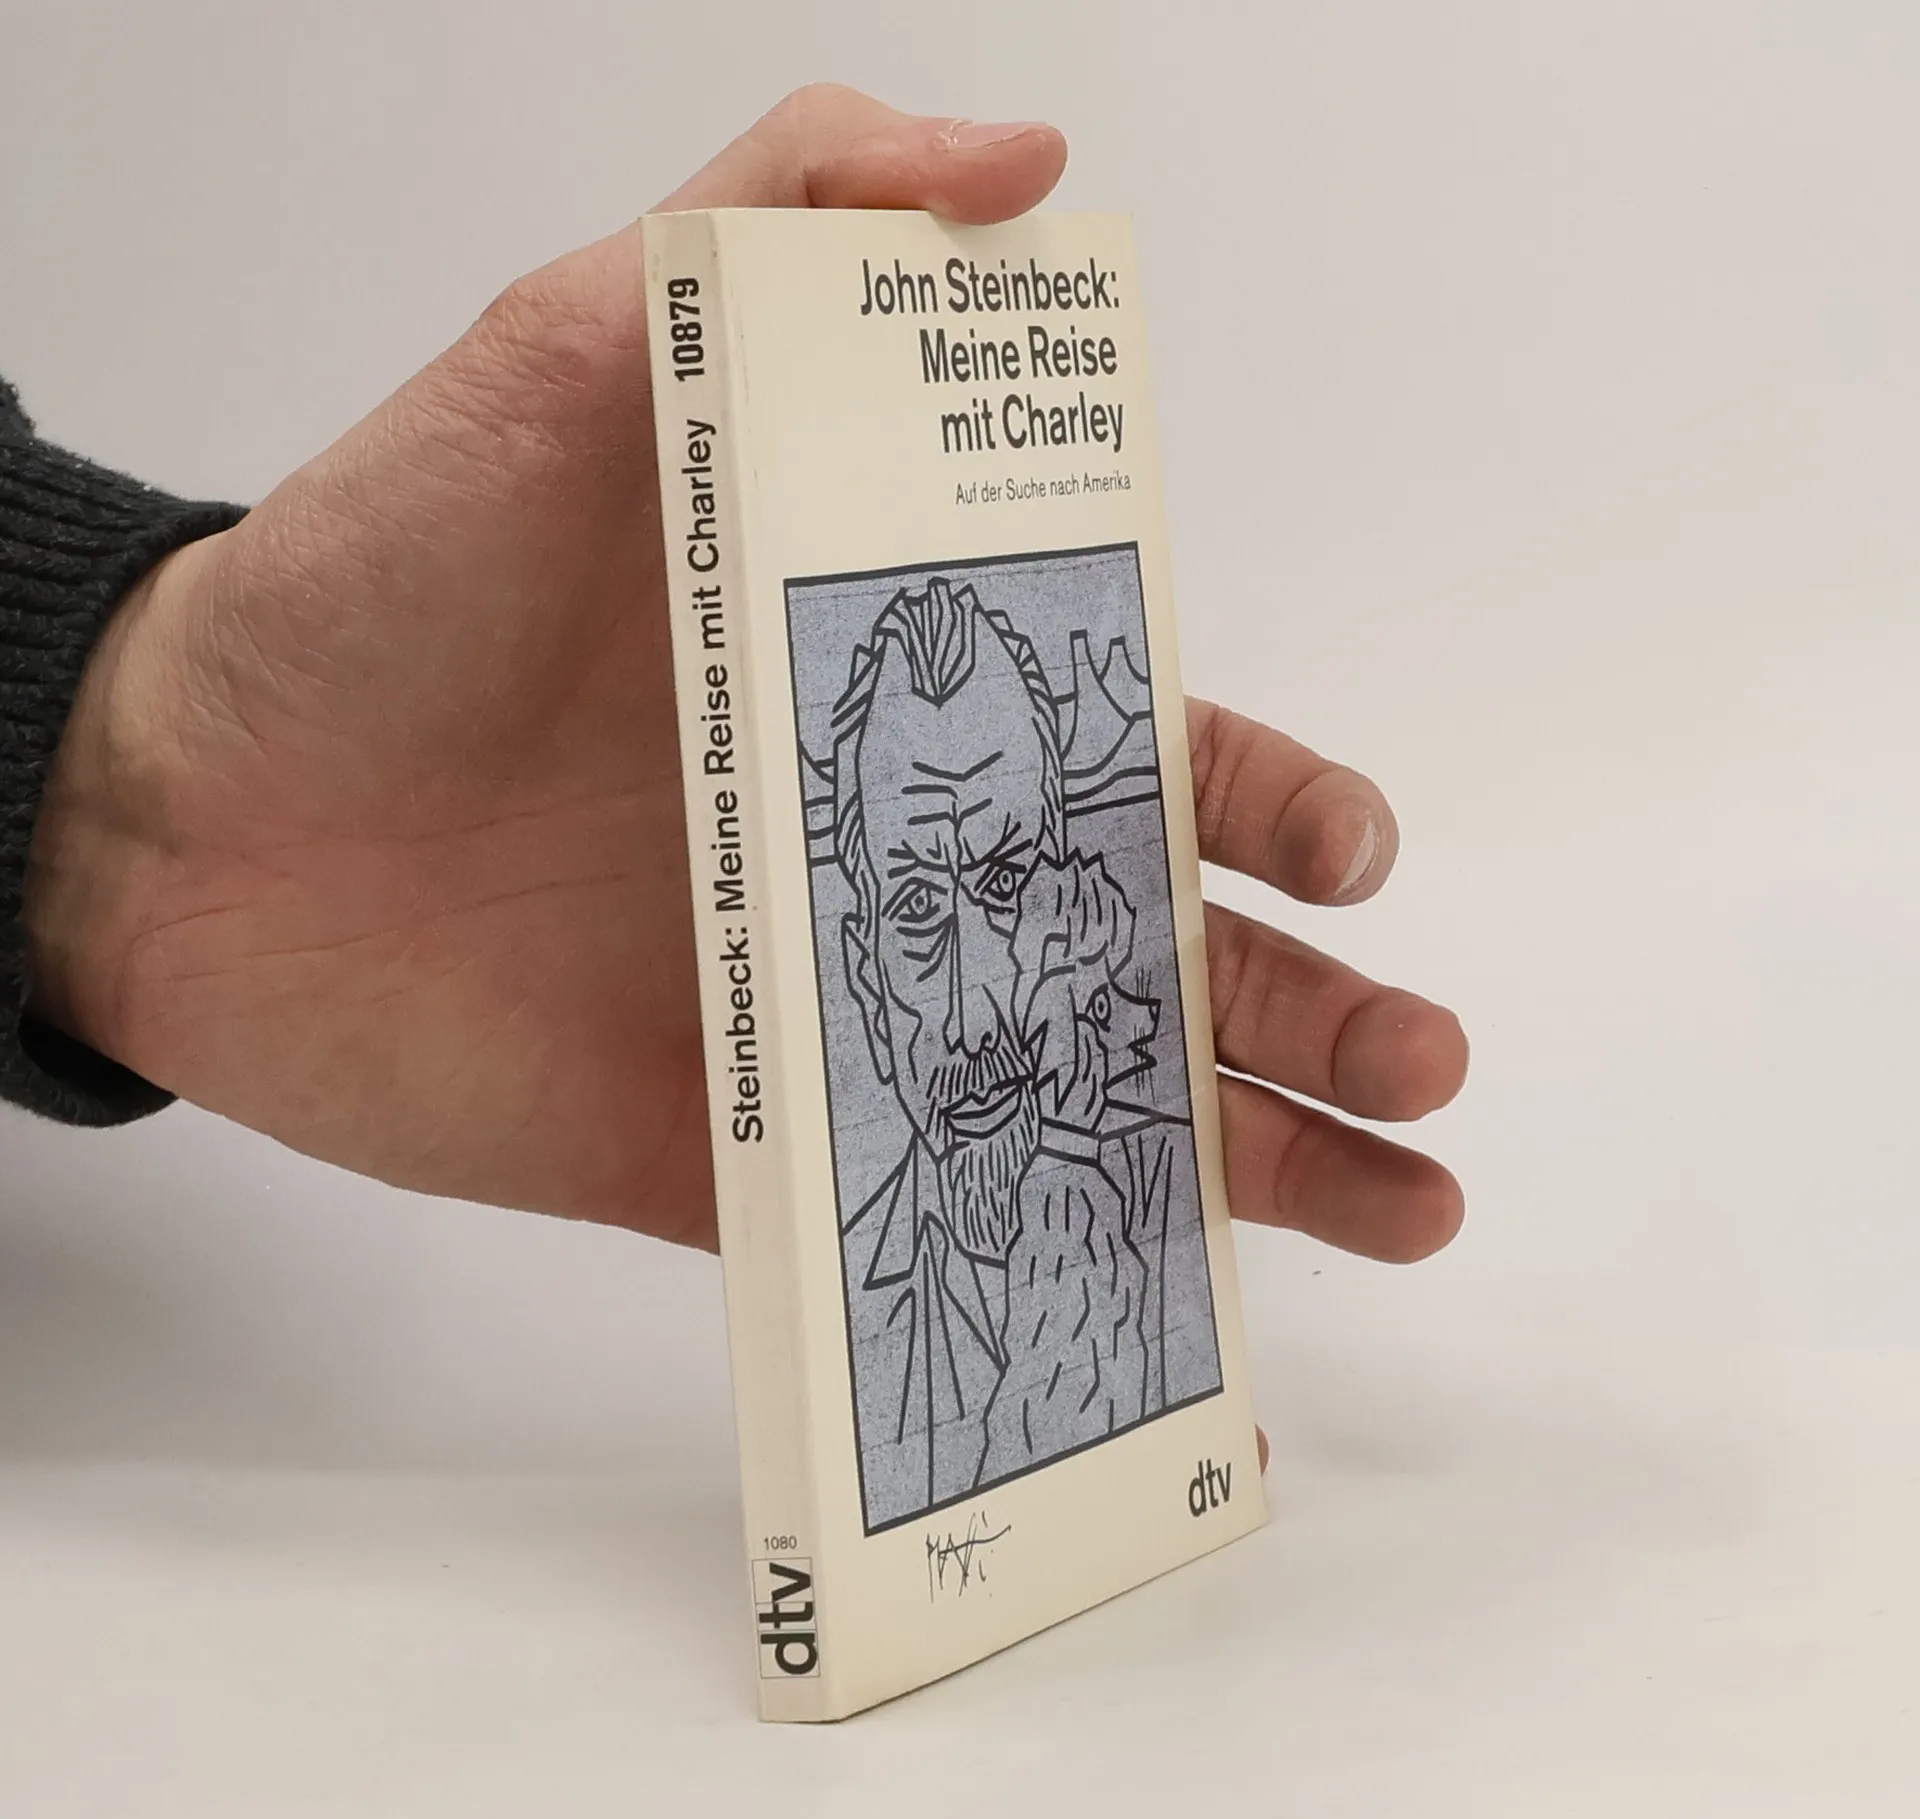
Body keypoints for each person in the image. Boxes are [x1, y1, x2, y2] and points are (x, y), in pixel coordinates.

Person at [0, 90, 1469, 1356]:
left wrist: (123, 765)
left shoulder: (1110, 1260)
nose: (977, 1005)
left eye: (1011, 877)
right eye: (915, 909)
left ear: (1082, 901)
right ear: (850, 953)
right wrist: (139, 774)